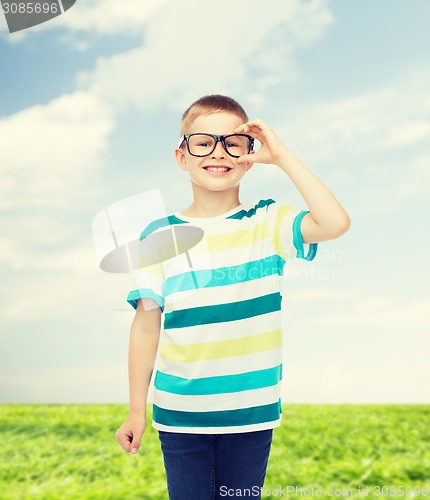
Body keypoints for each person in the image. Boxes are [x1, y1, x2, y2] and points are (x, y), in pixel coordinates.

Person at [115, 94, 351, 499]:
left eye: (233, 143)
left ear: (249, 154)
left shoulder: (268, 220)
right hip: (180, 414)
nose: (218, 152)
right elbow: (147, 323)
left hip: (251, 412)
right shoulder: (159, 234)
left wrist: (282, 156)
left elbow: (334, 222)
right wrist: (137, 409)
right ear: (181, 156)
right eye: (203, 142)